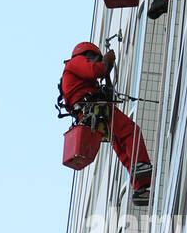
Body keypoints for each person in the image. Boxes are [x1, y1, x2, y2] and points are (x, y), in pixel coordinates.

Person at [60, 43, 153, 205]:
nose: (95, 62)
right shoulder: (75, 63)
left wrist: (107, 71)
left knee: (121, 144)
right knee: (131, 131)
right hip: (94, 109)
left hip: (93, 112)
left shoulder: (80, 76)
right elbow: (95, 70)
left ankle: (140, 189)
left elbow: (107, 91)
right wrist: (106, 62)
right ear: (88, 55)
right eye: (95, 58)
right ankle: (139, 167)